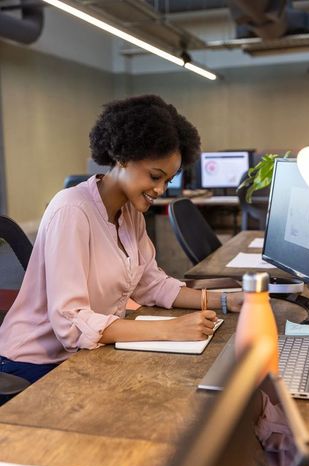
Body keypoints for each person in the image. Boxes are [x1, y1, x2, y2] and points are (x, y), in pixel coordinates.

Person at [0, 95, 242, 384]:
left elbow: (151, 284)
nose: (161, 189)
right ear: (122, 157)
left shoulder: (129, 213)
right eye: (155, 176)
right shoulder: (72, 210)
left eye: (168, 180)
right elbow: (71, 321)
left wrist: (227, 300)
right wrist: (171, 329)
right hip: (33, 364)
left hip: (86, 353)